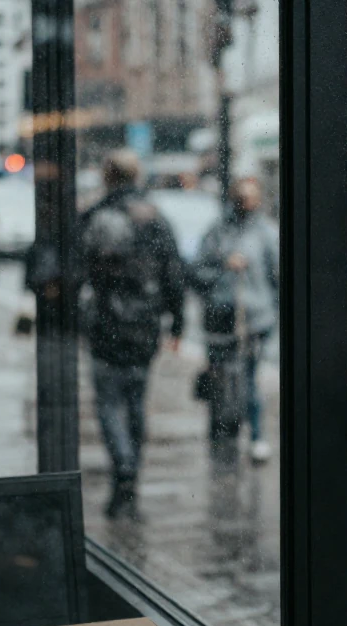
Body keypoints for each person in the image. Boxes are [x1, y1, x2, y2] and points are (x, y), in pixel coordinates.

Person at [81, 150, 186, 520]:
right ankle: (131, 476)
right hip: (144, 325)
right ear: (137, 175)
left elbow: (77, 270)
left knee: (109, 403)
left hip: (104, 323)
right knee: (136, 401)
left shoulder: (94, 216)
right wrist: (178, 322)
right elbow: (173, 271)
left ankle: (122, 469)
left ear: (106, 177)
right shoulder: (155, 218)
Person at [193, 177, 279, 465]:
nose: (245, 203)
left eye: (250, 198)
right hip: (220, 319)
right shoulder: (217, 232)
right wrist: (222, 265)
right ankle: (222, 432)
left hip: (254, 321)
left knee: (251, 380)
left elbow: (277, 279)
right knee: (220, 378)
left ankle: (256, 435)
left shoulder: (267, 233)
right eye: (240, 197)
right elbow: (197, 273)